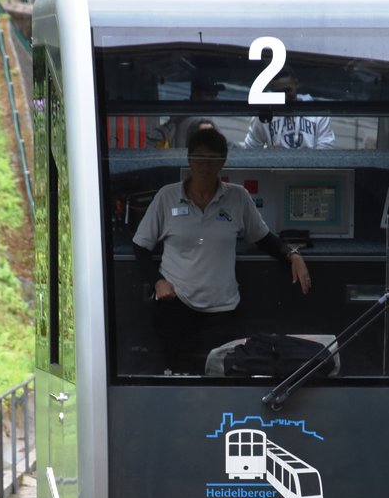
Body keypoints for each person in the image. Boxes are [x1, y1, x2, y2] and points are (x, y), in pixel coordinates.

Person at [132, 126, 311, 372]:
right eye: (199, 158)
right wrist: (157, 282)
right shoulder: (167, 197)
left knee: (219, 377)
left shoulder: (238, 198)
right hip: (176, 304)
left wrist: (292, 254)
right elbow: (140, 245)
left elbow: (264, 238)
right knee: (177, 375)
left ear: (223, 162)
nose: (205, 165)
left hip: (223, 309)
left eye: (212, 159)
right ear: (189, 159)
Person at [243, 67, 335, 149]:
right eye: (279, 93)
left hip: (308, 167)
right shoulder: (264, 114)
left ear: (296, 84)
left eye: (287, 90)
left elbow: (325, 149)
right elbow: (251, 148)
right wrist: (269, 156)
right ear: (272, 90)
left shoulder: (317, 113)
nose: (285, 97)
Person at [152, 76, 224, 148]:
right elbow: (197, 124)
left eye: (213, 95)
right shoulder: (186, 121)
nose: (214, 98)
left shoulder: (174, 122)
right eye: (209, 95)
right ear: (194, 96)